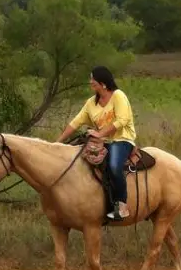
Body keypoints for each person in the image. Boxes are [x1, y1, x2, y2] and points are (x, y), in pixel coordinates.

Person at [56, 66, 137, 221]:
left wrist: (99, 134)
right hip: (101, 142)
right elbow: (75, 123)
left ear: (103, 83)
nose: (90, 82)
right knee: (78, 163)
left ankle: (122, 207)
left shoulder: (118, 96)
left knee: (114, 166)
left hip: (121, 140)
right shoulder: (91, 103)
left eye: (93, 79)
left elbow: (123, 120)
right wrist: (57, 143)